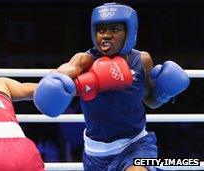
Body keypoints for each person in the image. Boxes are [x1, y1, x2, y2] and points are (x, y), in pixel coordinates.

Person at [34, 2, 190, 171]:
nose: (106, 36)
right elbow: (58, 77)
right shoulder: (84, 61)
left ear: (129, 32)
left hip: (135, 144)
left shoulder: (142, 61)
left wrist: (163, 94)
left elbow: (151, 101)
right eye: (101, 30)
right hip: (96, 153)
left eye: (114, 30)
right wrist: (55, 83)